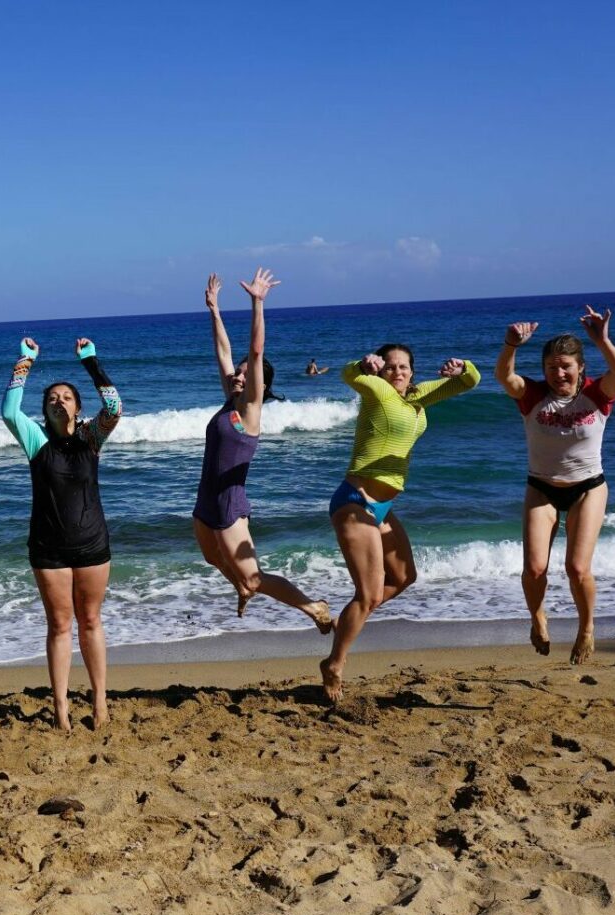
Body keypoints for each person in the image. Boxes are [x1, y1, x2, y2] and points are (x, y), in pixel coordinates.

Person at [319, 345, 481, 702]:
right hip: (355, 501)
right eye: (390, 366)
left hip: (382, 508)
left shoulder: (418, 396)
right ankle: (334, 664)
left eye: (403, 366)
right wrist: (362, 364)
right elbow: (351, 375)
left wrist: (461, 365)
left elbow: (470, 381)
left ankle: (347, 621)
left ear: (412, 370)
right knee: (369, 593)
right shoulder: (375, 390)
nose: (397, 372)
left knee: (404, 578)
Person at [194, 270, 336, 631]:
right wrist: (214, 310)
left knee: (255, 577)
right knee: (212, 557)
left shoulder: (249, 410)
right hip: (206, 498)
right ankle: (242, 587)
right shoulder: (230, 401)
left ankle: (313, 606)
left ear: (259, 384)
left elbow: (255, 352)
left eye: (245, 374)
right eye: (236, 373)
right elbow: (224, 351)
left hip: (229, 503)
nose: (237, 375)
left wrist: (257, 303)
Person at [494, 307, 615, 664]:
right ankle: (538, 617)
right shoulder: (533, 396)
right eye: (552, 367)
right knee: (535, 569)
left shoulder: (597, 394)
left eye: (566, 366)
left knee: (577, 568)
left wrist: (601, 340)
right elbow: (505, 377)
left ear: (579, 367)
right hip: (542, 489)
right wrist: (511, 345)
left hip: (589, 487)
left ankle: (586, 629)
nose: (559, 373)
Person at [1, 335, 122, 730]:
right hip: (48, 547)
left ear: (78, 406)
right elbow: (8, 411)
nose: (59, 401)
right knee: (59, 625)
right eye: (52, 398)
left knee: (90, 622)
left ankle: (100, 703)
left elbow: (115, 407)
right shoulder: (37, 441)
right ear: (45, 410)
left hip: (92, 544)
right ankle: (61, 708)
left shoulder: (91, 438)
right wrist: (25, 362)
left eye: (66, 397)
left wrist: (90, 361)